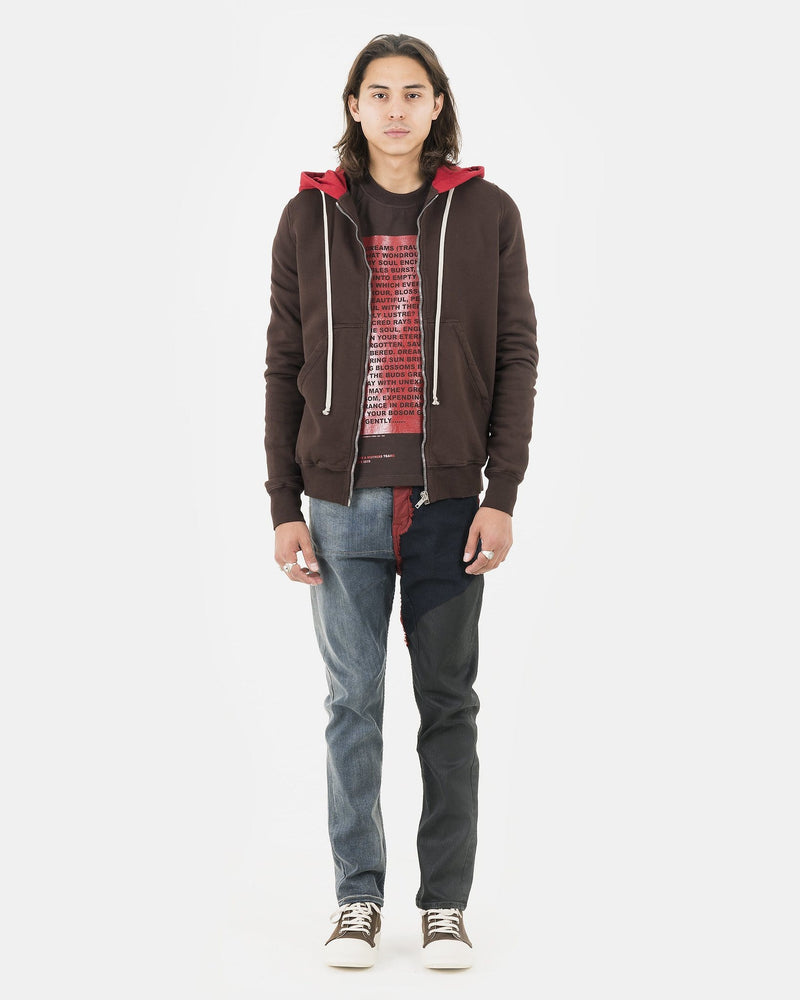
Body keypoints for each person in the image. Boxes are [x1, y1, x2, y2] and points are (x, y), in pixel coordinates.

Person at [263, 32, 538, 970]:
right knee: (352, 705)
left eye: (412, 93)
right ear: (354, 106)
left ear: (436, 105)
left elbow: (515, 354)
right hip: (339, 505)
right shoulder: (309, 216)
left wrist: (502, 493)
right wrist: (284, 506)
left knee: (448, 705)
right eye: (377, 92)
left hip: (449, 504)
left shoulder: (486, 211)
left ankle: (445, 906)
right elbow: (284, 366)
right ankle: (357, 900)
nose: (394, 108)